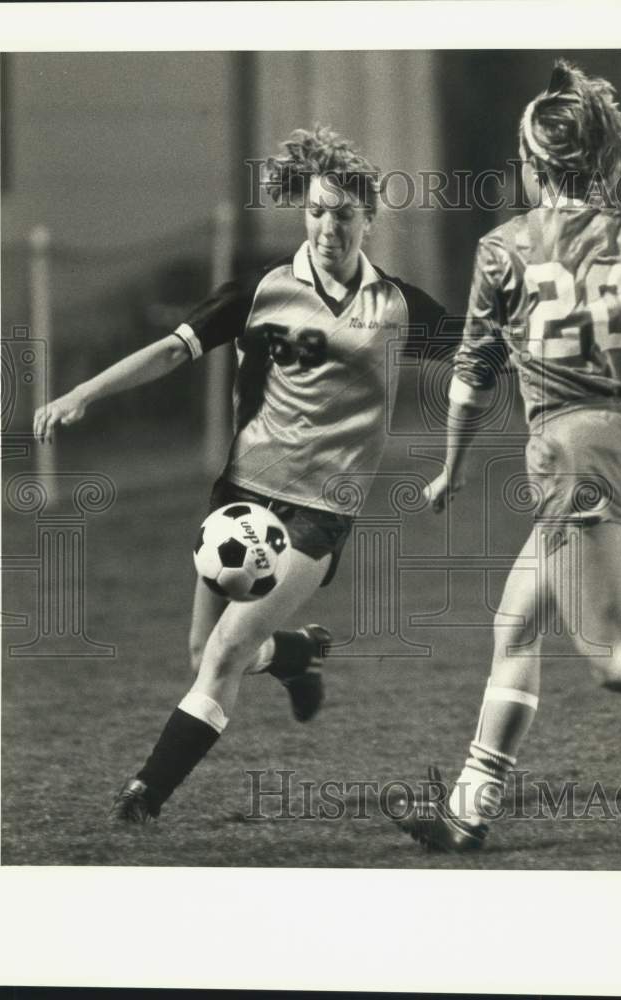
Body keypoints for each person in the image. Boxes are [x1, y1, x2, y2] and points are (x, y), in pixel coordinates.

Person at [35, 125, 447, 823]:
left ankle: (145, 795)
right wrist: (83, 393)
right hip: (242, 501)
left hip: (321, 508)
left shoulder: (400, 306)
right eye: (315, 211)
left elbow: (480, 355)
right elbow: (171, 352)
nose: (326, 227)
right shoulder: (263, 290)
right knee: (205, 649)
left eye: (343, 214)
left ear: (369, 220)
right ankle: (293, 653)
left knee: (225, 649)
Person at [392, 61, 621, 852]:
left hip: (570, 457)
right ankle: (467, 811)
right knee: (514, 622)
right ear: (604, 160)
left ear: (531, 165)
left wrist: (452, 466)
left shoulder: (504, 248)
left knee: (612, 659)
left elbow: (471, 373)